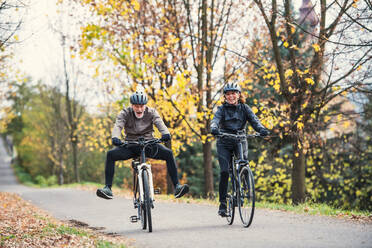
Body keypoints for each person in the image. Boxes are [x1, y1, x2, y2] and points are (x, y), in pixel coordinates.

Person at [96, 91, 189, 199]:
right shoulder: (125, 113)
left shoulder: (152, 112)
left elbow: (160, 123)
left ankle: (177, 186)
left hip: (149, 144)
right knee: (111, 154)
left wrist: (166, 133)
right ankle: (108, 188)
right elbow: (118, 125)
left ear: (145, 105)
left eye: (141, 106)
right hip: (131, 145)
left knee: (168, 153)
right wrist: (115, 137)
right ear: (132, 105)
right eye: (136, 106)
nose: (139, 109)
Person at [210, 83, 269, 217]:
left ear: (239, 95)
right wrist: (214, 128)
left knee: (243, 163)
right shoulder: (221, 109)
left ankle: (245, 191)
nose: (231, 96)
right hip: (224, 140)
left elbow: (255, 121)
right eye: (228, 94)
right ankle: (223, 205)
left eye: (234, 93)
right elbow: (215, 120)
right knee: (225, 172)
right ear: (225, 96)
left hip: (240, 140)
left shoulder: (245, 108)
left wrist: (261, 129)